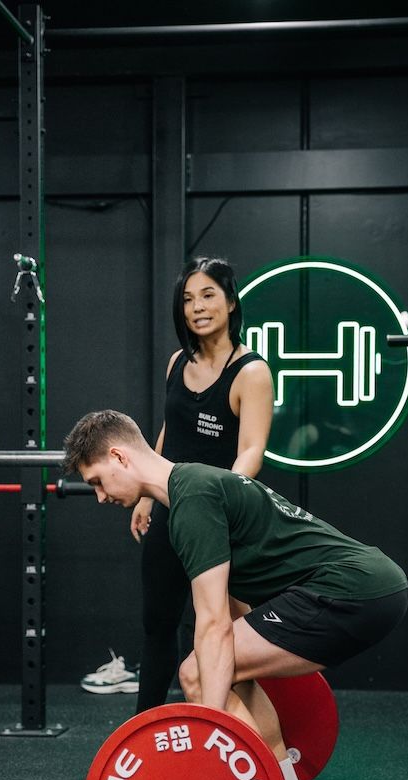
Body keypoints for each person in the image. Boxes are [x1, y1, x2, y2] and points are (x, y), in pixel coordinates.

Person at [63, 410, 408, 780]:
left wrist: (212, 745)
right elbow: (233, 614)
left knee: (197, 672)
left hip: (351, 590)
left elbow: (210, 626)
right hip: (371, 586)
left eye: (96, 481)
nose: (100, 496)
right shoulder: (195, 487)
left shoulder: (193, 502)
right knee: (231, 673)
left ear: (117, 456)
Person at [80, 257, 273, 702]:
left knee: (219, 627)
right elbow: (171, 431)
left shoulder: (251, 372)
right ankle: (146, 730)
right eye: (187, 299)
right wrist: (148, 496)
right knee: (158, 623)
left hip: (221, 516)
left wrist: (217, 499)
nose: (197, 307)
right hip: (170, 508)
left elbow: (252, 451)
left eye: (208, 295)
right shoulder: (176, 364)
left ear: (230, 300)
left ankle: (225, 732)